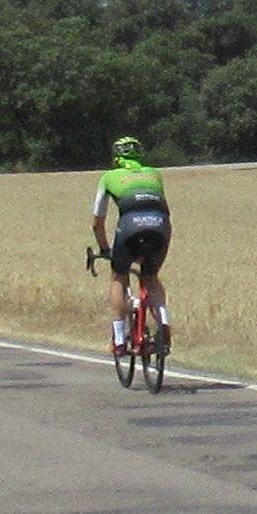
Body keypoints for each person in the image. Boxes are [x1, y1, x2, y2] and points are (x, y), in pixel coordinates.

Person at [85, 134, 170, 353]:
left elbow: (97, 222)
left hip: (130, 227)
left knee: (119, 277)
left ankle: (120, 340)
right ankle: (163, 323)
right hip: (160, 225)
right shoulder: (154, 174)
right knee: (151, 276)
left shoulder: (108, 177)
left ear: (116, 157)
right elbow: (162, 207)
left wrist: (105, 249)